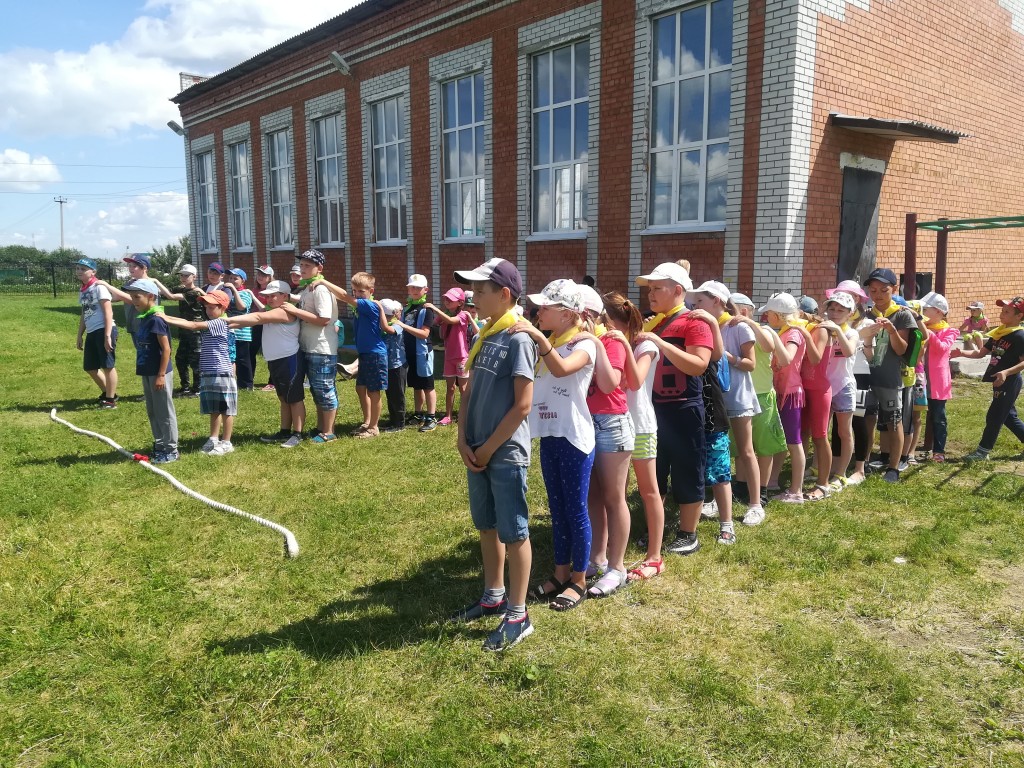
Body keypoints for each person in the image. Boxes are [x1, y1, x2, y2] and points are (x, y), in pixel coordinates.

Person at [449, 258, 536, 652]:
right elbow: (468, 391)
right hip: (477, 447)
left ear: (503, 295)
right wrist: (462, 438)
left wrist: (487, 447)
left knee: (513, 531)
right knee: (486, 525)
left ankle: (518, 615)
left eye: (480, 292)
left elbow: (522, 405)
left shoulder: (518, 339)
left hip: (504, 452)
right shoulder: (486, 334)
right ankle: (493, 594)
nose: (473, 298)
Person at [511, 279, 595, 611]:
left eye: (546, 307)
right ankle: (561, 573)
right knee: (557, 509)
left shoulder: (585, 343)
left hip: (574, 437)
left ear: (567, 313)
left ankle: (579, 580)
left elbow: (562, 370)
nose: (539, 312)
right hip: (550, 434)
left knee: (575, 510)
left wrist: (538, 338)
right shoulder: (552, 340)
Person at [634, 262, 713, 556]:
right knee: (655, 470)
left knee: (687, 470)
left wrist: (660, 343)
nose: (651, 294)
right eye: (650, 289)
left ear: (678, 290)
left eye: (657, 288)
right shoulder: (653, 322)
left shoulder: (694, 321)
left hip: (683, 407)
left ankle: (688, 533)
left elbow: (699, 364)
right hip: (652, 409)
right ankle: (656, 528)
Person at [577, 287, 637, 596]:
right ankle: (597, 558)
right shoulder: (582, 341)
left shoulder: (611, 340)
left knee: (614, 498)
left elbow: (609, 383)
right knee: (594, 496)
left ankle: (617, 568)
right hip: (588, 422)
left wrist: (596, 345)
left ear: (587, 316)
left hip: (612, 423)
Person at [690, 281, 762, 537]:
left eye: (700, 301)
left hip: (738, 397)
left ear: (717, 301)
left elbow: (751, 364)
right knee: (718, 452)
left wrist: (727, 357)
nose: (696, 306)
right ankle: (718, 499)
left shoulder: (738, 326)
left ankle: (755, 503)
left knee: (745, 450)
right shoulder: (707, 327)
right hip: (716, 400)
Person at [728, 293, 789, 520]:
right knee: (741, 446)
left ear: (744, 311)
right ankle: (741, 484)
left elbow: (768, 346)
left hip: (762, 396)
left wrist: (751, 324)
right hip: (739, 395)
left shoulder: (763, 330)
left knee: (763, 447)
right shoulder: (731, 331)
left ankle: (761, 489)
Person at [161, 289, 238, 455]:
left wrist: (166, 318)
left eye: (212, 307)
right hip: (209, 372)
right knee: (214, 408)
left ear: (223, 308)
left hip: (221, 372)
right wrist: (165, 317)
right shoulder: (212, 321)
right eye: (206, 307)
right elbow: (190, 322)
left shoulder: (220, 322)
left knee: (226, 409)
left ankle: (226, 442)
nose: (208, 310)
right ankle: (213, 438)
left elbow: (193, 325)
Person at [319, 272, 391, 439]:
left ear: (371, 291)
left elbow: (344, 297)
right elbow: (345, 297)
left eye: (361, 291)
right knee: (360, 388)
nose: (357, 294)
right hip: (365, 354)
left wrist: (323, 281)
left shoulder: (369, 305)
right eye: (355, 291)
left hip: (375, 354)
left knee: (374, 391)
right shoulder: (362, 305)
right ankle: (367, 422)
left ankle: (374, 427)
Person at [954, 296, 1024, 461]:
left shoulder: (1020, 336)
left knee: (994, 416)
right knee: (1008, 417)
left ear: (1019, 316)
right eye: (1002, 311)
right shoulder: (999, 333)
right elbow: (980, 353)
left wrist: (1006, 372)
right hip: (998, 380)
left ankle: (982, 452)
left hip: (1010, 381)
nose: (1002, 314)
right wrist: (961, 352)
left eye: (1007, 312)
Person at [863, 268, 917, 483]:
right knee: (867, 420)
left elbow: (902, 349)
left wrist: (892, 330)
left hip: (890, 378)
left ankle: (893, 467)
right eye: (873, 290)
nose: (877, 295)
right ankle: (863, 461)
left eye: (883, 290)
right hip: (866, 377)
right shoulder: (867, 315)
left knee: (894, 422)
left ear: (894, 289)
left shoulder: (902, 314)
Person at [239, 280, 306, 448]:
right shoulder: (271, 309)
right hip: (275, 360)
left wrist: (226, 322)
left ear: (285, 296)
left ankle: (298, 434)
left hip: (289, 359)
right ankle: (284, 431)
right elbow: (258, 315)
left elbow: (257, 317)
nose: (269, 299)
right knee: (283, 398)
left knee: (294, 399)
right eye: (267, 296)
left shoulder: (284, 312)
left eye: (273, 296)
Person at [761, 293, 809, 502]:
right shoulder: (785, 332)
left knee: (794, 442)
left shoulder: (793, 334)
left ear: (777, 315)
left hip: (790, 393)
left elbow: (787, 358)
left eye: (769, 313)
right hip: (781, 391)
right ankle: (772, 480)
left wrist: (773, 338)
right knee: (781, 439)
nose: (766, 317)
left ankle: (796, 490)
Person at [125, 279, 178, 463]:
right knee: (153, 410)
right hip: (147, 371)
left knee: (164, 411)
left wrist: (161, 375)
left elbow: (167, 349)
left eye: (137, 297)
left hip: (159, 372)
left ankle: (171, 449)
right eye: (132, 297)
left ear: (150, 296)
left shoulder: (156, 319)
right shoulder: (145, 317)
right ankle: (160, 444)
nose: (133, 301)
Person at [294, 249, 340, 443]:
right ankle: (321, 427)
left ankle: (329, 432)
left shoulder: (320, 289)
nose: (303, 269)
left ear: (319, 268)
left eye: (307, 265)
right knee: (316, 390)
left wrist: (295, 312)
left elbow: (324, 319)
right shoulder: (308, 287)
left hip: (322, 348)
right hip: (310, 346)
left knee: (324, 389)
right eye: (301, 265)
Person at [819, 291, 861, 487]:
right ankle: (819, 468)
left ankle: (841, 473)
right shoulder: (824, 330)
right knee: (821, 432)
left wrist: (837, 330)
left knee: (844, 431)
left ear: (850, 313)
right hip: (823, 386)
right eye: (832, 309)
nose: (835, 313)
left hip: (843, 386)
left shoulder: (851, 333)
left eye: (840, 310)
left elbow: (849, 351)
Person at [799, 299, 834, 501]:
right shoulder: (804, 329)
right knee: (802, 433)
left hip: (819, 390)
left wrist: (805, 335)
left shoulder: (820, 330)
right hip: (803, 388)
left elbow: (815, 359)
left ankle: (823, 484)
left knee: (819, 436)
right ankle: (798, 477)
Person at [154, 264, 204, 397]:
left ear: (194, 277)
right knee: (180, 359)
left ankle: (198, 389)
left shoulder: (195, 292)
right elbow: (164, 292)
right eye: (181, 275)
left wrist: (156, 281)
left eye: (186, 275)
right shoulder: (182, 288)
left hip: (195, 331)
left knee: (195, 361)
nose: (183, 277)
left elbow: (171, 296)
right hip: (184, 329)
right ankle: (185, 387)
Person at [75, 257, 119, 409]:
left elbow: (108, 312)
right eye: (78, 268)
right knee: (90, 367)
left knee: (107, 365)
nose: (79, 271)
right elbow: (84, 313)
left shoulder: (99, 287)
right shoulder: (83, 289)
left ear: (93, 272)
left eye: (83, 269)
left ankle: (110, 400)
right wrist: (79, 335)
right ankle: (109, 393)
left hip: (104, 329)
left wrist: (107, 335)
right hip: (92, 331)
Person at [919, 292, 957, 463]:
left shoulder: (950, 331)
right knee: (917, 413)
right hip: (920, 377)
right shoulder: (921, 327)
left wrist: (928, 333)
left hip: (938, 382)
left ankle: (939, 450)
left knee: (938, 416)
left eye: (926, 309)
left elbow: (942, 347)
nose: (923, 313)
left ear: (939, 312)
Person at [399, 274, 438, 431]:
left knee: (427, 385)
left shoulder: (427, 309)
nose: (414, 290)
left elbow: (424, 334)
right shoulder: (407, 308)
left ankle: (431, 416)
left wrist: (403, 325)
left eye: (418, 287)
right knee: (416, 385)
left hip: (423, 353)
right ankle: (418, 413)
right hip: (410, 352)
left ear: (425, 289)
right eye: (411, 287)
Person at [428, 287, 472, 426]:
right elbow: (433, 323)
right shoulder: (444, 314)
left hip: (461, 356)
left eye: (450, 299)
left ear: (460, 303)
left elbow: (451, 320)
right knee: (450, 388)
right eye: (446, 298)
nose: (447, 301)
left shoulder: (463, 315)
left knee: (463, 388)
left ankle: (466, 414)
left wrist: (435, 309)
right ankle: (448, 416)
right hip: (449, 356)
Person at [97, 253, 157, 349]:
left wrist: (107, 285)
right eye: (129, 266)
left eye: (134, 266)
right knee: (140, 353)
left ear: (144, 268)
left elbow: (131, 300)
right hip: (133, 325)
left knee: (148, 353)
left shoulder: (148, 284)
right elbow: (119, 297)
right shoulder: (131, 283)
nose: (130, 268)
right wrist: (101, 298)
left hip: (146, 326)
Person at [223, 268, 256, 389]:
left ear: (243, 281)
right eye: (230, 278)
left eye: (235, 278)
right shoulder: (228, 292)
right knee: (231, 357)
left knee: (243, 359)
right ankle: (233, 382)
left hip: (242, 333)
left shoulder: (245, 294)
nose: (232, 280)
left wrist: (234, 291)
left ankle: (247, 385)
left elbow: (241, 307)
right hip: (230, 331)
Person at [380, 299, 408, 433]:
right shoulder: (382, 324)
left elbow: (388, 329)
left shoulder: (398, 325)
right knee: (390, 393)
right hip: (387, 365)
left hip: (398, 365)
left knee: (398, 394)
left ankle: (399, 423)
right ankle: (393, 419)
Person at [252, 265, 275, 390]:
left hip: (269, 325)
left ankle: (272, 382)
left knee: (270, 353)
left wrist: (253, 296)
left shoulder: (273, 292)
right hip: (256, 325)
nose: (260, 277)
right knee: (251, 351)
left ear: (270, 277)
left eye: (264, 275)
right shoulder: (255, 290)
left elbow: (265, 309)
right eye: (259, 274)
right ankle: (248, 380)